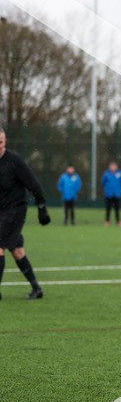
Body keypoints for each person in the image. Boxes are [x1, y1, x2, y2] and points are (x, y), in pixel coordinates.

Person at [0, 127, 51, 300]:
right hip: (1, 212)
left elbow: (33, 184)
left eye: (0, 142)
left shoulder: (14, 161)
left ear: (5, 142)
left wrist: (42, 207)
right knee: (17, 250)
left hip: (15, 210)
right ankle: (36, 289)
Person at [101, 162, 121, 227]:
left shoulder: (120, 173)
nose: (113, 168)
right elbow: (103, 182)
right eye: (111, 166)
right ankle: (107, 221)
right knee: (108, 209)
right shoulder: (106, 174)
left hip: (117, 194)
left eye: (114, 166)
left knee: (117, 209)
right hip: (108, 194)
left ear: (116, 167)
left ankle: (118, 221)